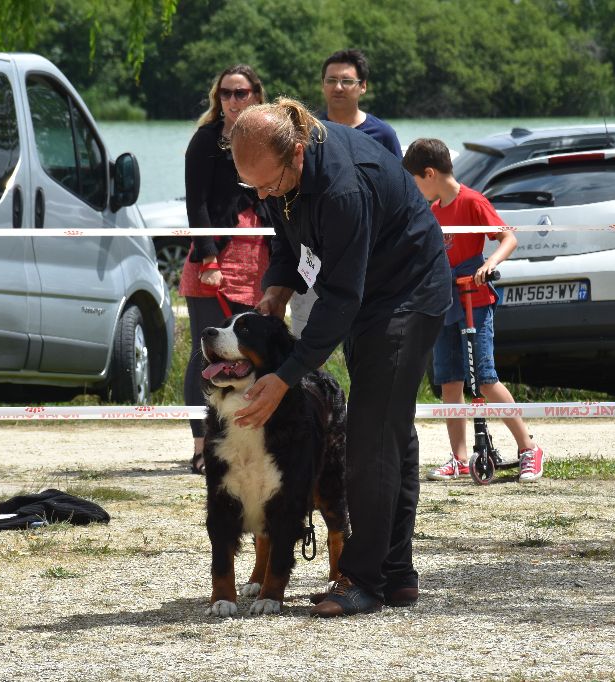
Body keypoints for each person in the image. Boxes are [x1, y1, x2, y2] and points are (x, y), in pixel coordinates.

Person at [229, 98, 450, 617]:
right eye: (251, 187)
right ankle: (396, 572)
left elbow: (341, 298)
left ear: (299, 153)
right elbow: (288, 239)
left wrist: (285, 375)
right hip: (371, 293)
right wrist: (277, 288)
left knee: (371, 434)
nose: (261, 194)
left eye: (268, 184)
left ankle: (363, 580)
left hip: (408, 292)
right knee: (389, 428)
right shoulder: (276, 169)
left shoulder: (342, 186)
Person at [402, 138, 545, 483]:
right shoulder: (434, 212)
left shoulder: (472, 201)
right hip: (444, 301)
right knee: (449, 382)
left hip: (474, 301)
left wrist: (489, 264)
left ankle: (528, 448)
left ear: (430, 174)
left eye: (416, 181)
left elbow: (507, 237)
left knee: (485, 377)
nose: (416, 190)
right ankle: (460, 458)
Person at [180, 65, 270, 474]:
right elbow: (195, 203)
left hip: (260, 256)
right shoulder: (204, 140)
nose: (234, 100)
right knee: (206, 356)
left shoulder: (268, 135)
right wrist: (208, 258)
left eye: (242, 93)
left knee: (253, 354)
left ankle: (244, 438)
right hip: (215, 256)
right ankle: (202, 446)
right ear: (219, 97)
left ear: (256, 95)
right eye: (227, 93)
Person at [289, 48, 402, 338]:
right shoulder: (305, 131)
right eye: (331, 80)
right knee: (307, 340)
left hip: (370, 259)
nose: (338, 87)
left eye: (347, 81)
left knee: (368, 345)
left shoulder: (383, 135)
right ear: (322, 84)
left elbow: (398, 195)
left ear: (363, 86)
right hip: (315, 255)